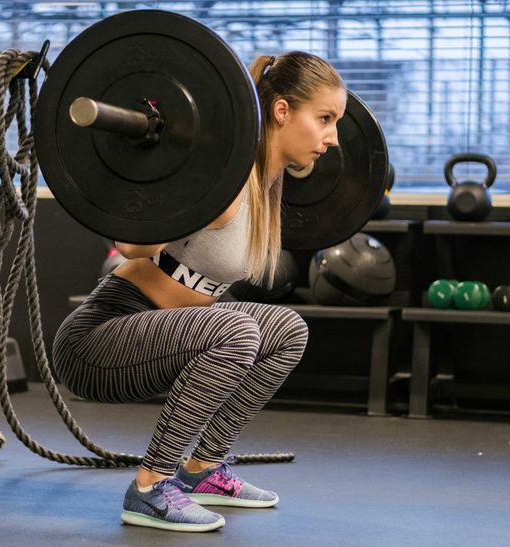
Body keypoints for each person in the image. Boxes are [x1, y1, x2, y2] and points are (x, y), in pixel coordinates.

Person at [53, 51, 347, 533]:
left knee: (287, 329)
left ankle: (202, 469)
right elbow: (129, 244)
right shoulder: (224, 179)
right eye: (324, 119)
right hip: (98, 339)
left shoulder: (264, 185)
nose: (332, 137)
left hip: (161, 338)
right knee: (236, 328)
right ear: (281, 112)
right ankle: (149, 487)